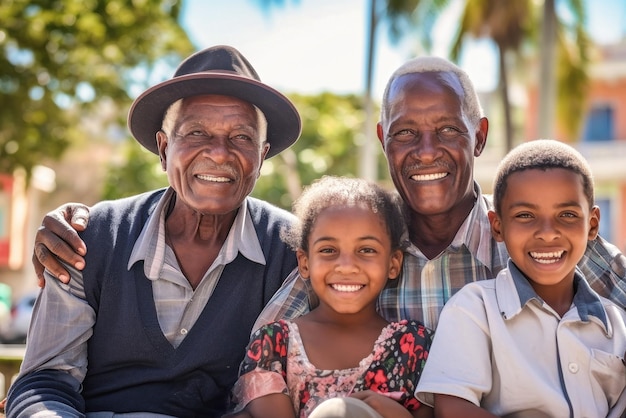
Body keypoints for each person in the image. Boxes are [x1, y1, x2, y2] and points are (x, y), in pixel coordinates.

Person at [32, 60, 626, 331]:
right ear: (381, 140)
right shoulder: (355, 240)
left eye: (449, 131)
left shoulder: (537, 235)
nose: (426, 152)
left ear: (481, 135)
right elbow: (263, 355)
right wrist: (87, 221)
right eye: (404, 134)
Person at [5, 45, 303, 417]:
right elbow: (44, 382)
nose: (220, 153)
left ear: (262, 156)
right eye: (196, 132)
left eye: (241, 138)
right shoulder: (91, 238)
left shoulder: (293, 252)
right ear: (164, 149)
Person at [415, 139, 626, 417]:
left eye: (567, 214)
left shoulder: (616, 324)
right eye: (525, 215)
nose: (548, 233)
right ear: (498, 226)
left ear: (592, 225)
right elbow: (453, 408)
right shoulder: (474, 309)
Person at [229, 176, 433, 418]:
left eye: (366, 250)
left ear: (393, 263)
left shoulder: (414, 345)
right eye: (328, 250)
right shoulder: (274, 345)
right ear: (304, 262)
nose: (346, 266)